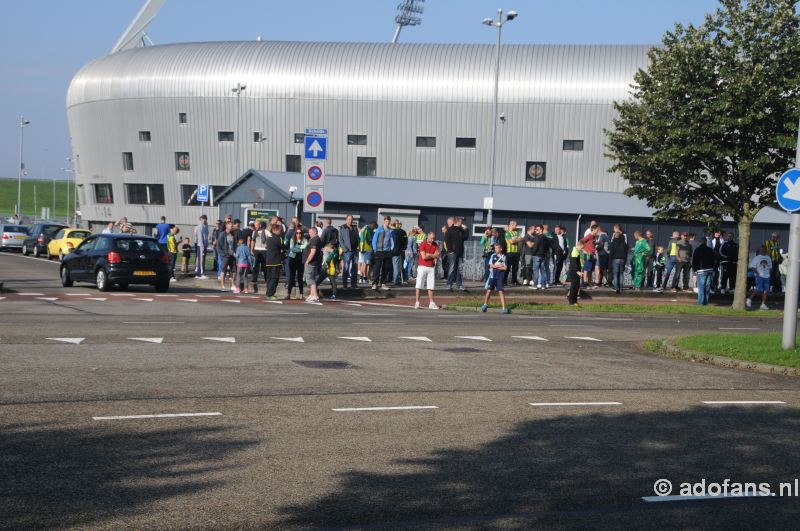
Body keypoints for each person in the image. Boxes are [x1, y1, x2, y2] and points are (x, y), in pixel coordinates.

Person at [415, 230, 440, 310]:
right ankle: (417, 302)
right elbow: (424, 257)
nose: (432, 240)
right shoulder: (423, 244)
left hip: (431, 267)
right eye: (431, 238)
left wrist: (430, 255)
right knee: (419, 284)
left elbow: (437, 255)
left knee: (431, 286)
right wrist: (433, 256)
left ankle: (431, 303)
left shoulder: (435, 244)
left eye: (434, 238)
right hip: (422, 266)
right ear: (428, 236)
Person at [481, 243, 509, 314]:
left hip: (500, 277)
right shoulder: (493, 256)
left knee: (501, 292)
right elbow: (491, 265)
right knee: (489, 291)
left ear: (500, 249)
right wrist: (499, 266)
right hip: (492, 277)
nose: (495, 250)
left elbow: (505, 268)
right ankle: (485, 304)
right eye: (495, 248)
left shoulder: (503, 257)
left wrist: (496, 266)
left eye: (497, 248)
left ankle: (504, 308)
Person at [371, 216, 396, 291]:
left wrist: (392, 248)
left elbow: (392, 240)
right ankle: (374, 283)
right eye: (386, 221)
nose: (387, 222)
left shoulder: (391, 231)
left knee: (386, 268)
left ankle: (383, 283)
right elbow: (374, 240)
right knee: (377, 267)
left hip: (388, 252)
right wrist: (375, 249)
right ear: (384, 221)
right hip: (379, 251)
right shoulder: (379, 229)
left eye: (389, 221)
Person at [260, 222, 284, 300]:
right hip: (276, 261)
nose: (280, 232)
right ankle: (271, 294)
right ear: (276, 230)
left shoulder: (269, 238)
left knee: (269, 278)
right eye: (279, 230)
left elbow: (267, 247)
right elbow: (283, 247)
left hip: (268, 261)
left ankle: (268, 293)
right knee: (275, 278)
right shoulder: (279, 238)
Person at [443, 217, 468, 291]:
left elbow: (465, 237)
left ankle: (459, 284)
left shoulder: (461, 230)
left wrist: (466, 229)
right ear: (458, 221)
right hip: (452, 252)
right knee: (452, 267)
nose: (462, 223)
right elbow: (447, 240)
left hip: (459, 252)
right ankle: (449, 284)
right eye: (461, 222)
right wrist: (450, 250)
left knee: (459, 268)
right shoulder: (450, 230)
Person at [692, 237, 715, 305]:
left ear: (700, 242)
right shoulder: (710, 250)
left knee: (701, 287)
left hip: (701, 270)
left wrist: (694, 269)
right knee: (707, 287)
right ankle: (705, 302)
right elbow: (713, 260)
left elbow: (695, 260)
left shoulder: (697, 250)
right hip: (709, 270)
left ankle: (700, 303)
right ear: (706, 242)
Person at [303, 226, 324, 303]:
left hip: (312, 262)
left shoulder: (315, 240)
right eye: (309, 232)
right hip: (314, 262)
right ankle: (312, 295)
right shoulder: (315, 239)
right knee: (310, 278)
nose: (309, 233)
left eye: (311, 232)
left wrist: (307, 261)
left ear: (315, 232)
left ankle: (315, 295)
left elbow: (313, 252)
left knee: (310, 279)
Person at [286, 227, 308, 300]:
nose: (298, 234)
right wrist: (300, 248)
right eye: (297, 233)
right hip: (292, 259)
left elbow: (304, 247)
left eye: (300, 233)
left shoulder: (304, 240)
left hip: (300, 260)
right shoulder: (292, 239)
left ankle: (301, 294)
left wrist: (298, 247)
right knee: (291, 277)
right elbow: (292, 248)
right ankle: (288, 294)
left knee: (300, 277)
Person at [339, 215, 360, 289]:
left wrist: (358, 247)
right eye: (349, 219)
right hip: (347, 251)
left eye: (351, 219)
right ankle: (345, 285)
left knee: (355, 268)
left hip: (355, 250)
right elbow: (340, 240)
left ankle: (353, 284)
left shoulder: (354, 227)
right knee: (346, 268)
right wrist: (345, 249)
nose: (350, 220)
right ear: (346, 219)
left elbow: (358, 238)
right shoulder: (342, 228)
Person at [216, 222, 236, 291]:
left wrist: (235, 251)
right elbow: (218, 246)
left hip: (232, 255)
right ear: (227, 226)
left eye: (232, 225)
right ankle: (222, 285)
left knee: (233, 270)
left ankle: (233, 284)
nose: (232, 226)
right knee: (223, 270)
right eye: (231, 225)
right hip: (225, 255)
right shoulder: (222, 234)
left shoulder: (233, 234)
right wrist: (223, 254)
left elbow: (234, 244)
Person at [250, 221, 269, 293]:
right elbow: (253, 241)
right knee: (255, 265)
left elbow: (270, 238)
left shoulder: (266, 232)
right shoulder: (254, 232)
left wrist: (267, 245)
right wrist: (251, 249)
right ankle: (254, 278)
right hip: (257, 250)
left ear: (260, 225)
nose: (255, 226)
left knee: (264, 266)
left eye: (256, 225)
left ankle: (266, 279)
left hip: (264, 250)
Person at [608, 225, 628, 293]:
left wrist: (610, 259)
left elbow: (611, 251)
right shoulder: (624, 243)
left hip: (615, 259)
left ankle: (616, 288)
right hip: (622, 259)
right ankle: (621, 287)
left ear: (614, 236)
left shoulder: (613, 243)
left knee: (616, 274)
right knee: (621, 273)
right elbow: (626, 250)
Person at [504, 220, 523, 285]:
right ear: (511, 225)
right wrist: (516, 239)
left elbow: (521, 238)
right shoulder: (507, 233)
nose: (516, 226)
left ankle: (514, 281)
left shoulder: (516, 232)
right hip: (509, 252)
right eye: (515, 225)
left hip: (516, 252)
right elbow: (511, 241)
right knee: (508, 267)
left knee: (515, 268)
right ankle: (504, 281)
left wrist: (515, 239)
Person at [567, 239, 585, 305]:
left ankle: (575, 301)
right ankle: (571, 301)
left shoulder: (577, 251)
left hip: (576, 271)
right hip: (574, 271)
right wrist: (577, 271)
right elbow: (573, 263)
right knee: (574, 286)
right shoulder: (574, 251)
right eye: (582, 248)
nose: (582, 249)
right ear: (580, 245)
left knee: (577, 286)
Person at [392, 220, 408, 285]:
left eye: (400, 224)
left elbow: (405, 241)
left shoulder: (400, 232)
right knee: (397, 265)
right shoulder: (399, 232)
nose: (399, 225)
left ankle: (398, 278)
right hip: (398, 251)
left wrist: (404, 248)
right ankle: (396, 279)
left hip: (396, 251)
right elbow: (405, 241)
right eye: (398, 224)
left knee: (398, 265)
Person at [194, 214, 209, 279]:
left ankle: (198, 274)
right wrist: (202, 246)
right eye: (203, 219)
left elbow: (206, 235)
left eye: (205, 219)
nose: (204, 220)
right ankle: (201, 273)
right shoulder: (200, 227)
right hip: (201, 245)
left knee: (203, 259)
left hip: (204, 245)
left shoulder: (206, 226)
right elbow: (200, 237)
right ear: (201, 219)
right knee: (201, 259)